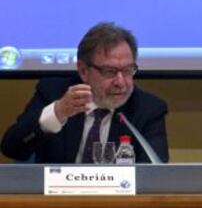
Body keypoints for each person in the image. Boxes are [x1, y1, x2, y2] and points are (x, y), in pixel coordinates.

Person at [1, 23, 169, 163]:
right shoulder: (53, 93)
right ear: (83, 71)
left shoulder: (148, 108)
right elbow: (12, 149)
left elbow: (155, 173)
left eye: (128, 70)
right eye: (109, 71)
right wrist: (57, 113)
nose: (121, 82)